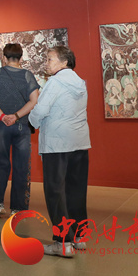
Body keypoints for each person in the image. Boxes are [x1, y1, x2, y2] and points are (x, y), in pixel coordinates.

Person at [29, 46, 91, 258]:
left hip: (57, 144)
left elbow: (40, 109)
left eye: (50, 59)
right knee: (77, 190)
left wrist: (31, 122)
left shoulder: (55, 82)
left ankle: (62, 242)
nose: (46, 63)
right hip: (80, 142)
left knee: (55, 192)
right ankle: (79, 237)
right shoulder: (80, 82)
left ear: (64, 62)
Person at [0, 43, 40, 218]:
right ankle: (18, 208)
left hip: (1, 126)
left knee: (1, 163)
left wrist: (3, 116)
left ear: (4, 57)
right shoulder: (28, 75)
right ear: (21, 58)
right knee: (21, 166)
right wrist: (16, 116)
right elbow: (34, 101)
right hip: (22, 125)